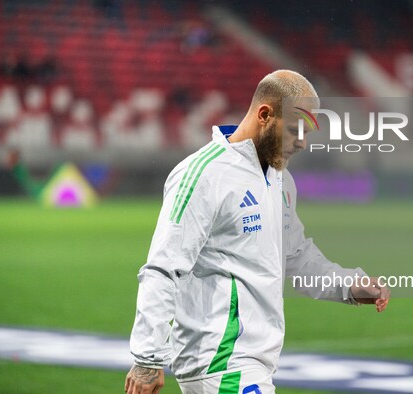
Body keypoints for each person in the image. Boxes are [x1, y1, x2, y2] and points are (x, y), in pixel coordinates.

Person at [125, 70, 390, 394]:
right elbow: (163, 268)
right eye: (295, 129)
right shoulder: (204, 174)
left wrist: (348, 284)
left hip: (253, 362)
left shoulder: (281, 180)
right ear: (265, 115)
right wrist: (147, 359)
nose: (303, 142)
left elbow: (294, 255)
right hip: (221, 361)